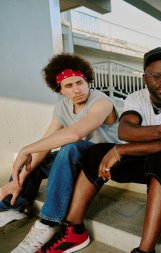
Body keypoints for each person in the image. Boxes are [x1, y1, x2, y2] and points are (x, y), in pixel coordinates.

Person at [38, 47, 161, 253]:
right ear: (145, 78)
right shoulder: (136, 98)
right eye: (156, 76)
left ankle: (145, 249)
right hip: (142, 160)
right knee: (96, 152)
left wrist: (121, 151)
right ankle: (74, 230)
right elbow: (125, 131)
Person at [0, 53, 121, 253]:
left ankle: (49, 222)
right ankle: (11, 206)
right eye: (69, 86)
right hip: (78, 154)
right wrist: (17, 178)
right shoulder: (62, 107)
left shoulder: (102, 101)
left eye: (80, 82)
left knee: (68, 148)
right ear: (60, 90)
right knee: (36, 158)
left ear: (87, 81)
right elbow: (45, 143)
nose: (77, 90)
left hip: (104, 155)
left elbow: (75, 134)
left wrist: (25, 149)